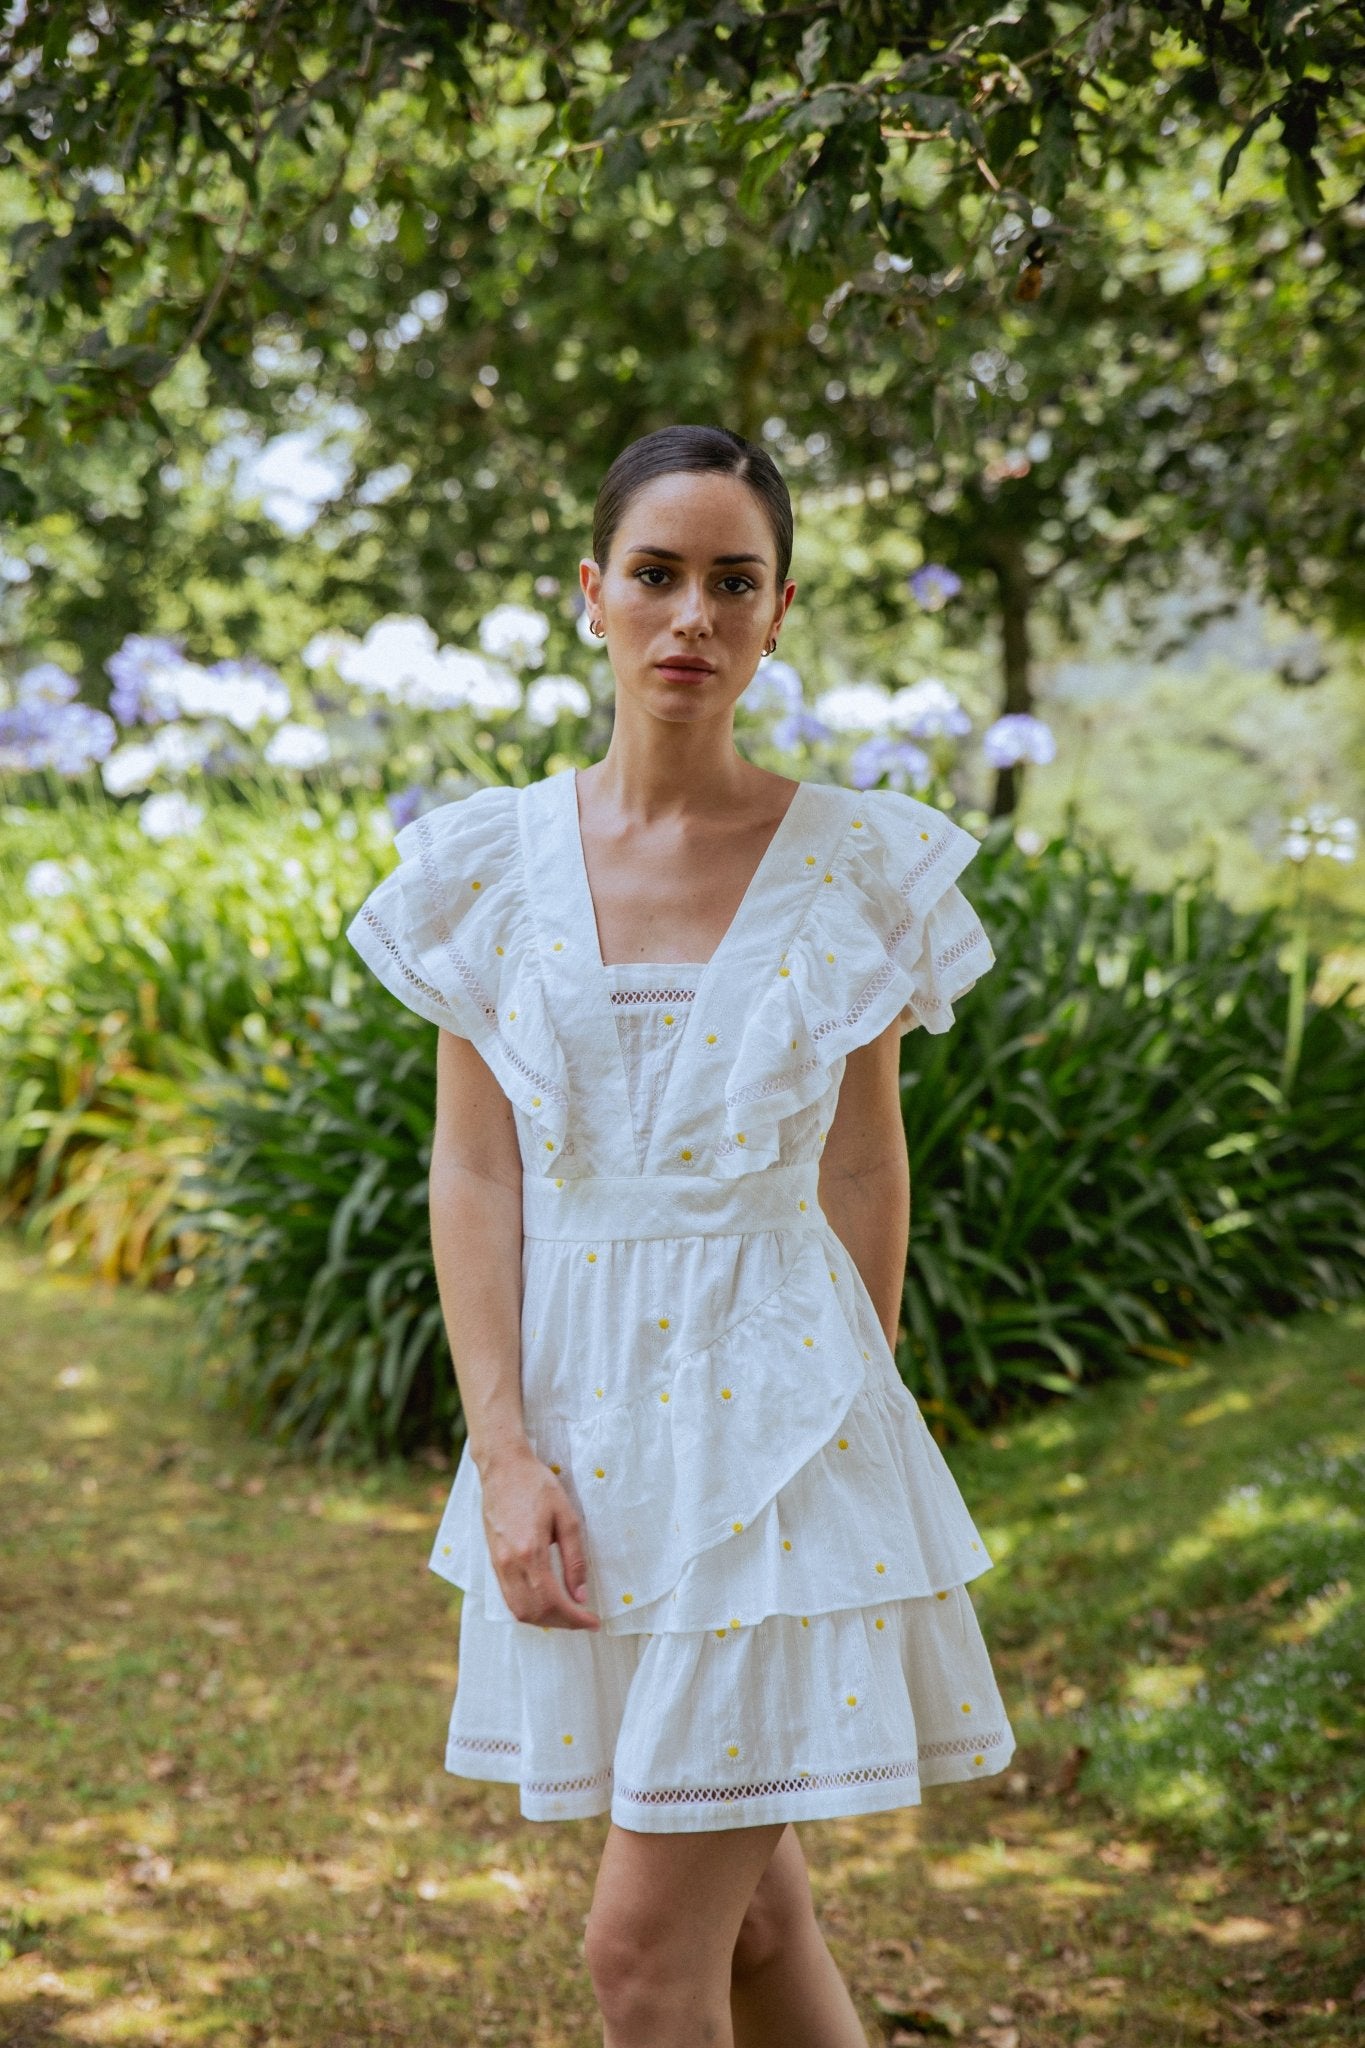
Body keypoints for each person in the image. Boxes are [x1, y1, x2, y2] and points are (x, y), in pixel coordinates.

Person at [346, 423, 1016, 2047]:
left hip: (785, 1445)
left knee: (643, 1958)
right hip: (580, 1434)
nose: (689, 618)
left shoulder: (859, 864)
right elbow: (479, 1176)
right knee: (758, 1925)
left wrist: (844, 1420)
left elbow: (863, 1176)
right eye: (656, 576)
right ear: (594, 594)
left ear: (779, 612)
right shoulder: (486, 868)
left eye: (733, 582)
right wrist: (504, 1455)